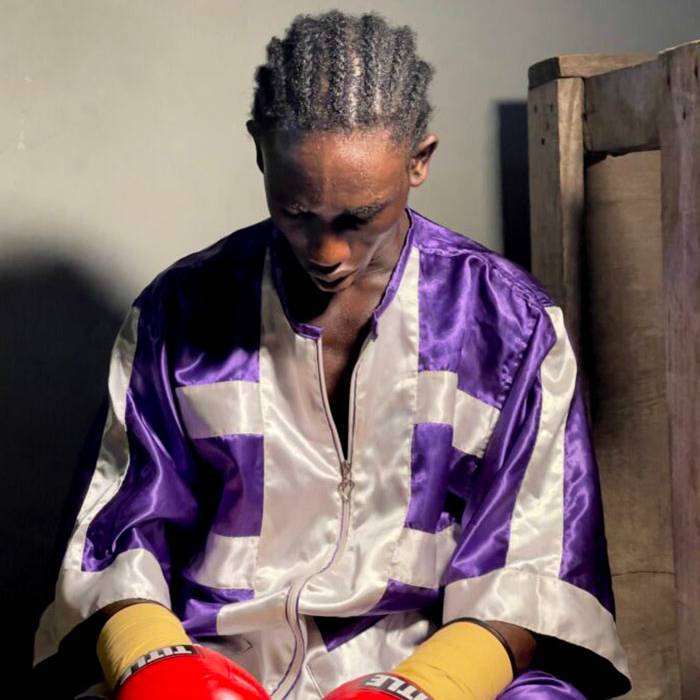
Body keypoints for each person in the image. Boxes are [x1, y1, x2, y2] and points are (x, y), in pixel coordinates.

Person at [31, 9, 631, 699]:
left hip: (434, 669)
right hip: (211, 663)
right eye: (296, 212)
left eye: (359, 217)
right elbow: (115, 535)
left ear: (420, 159)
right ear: (259, 150)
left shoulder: (512, 326)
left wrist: (419, 688)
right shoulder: (176, 313)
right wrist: (160, 667)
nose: (327, 254)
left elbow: (536, 570)